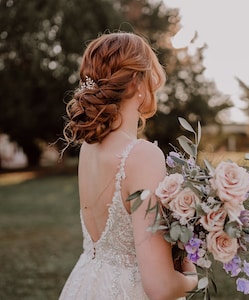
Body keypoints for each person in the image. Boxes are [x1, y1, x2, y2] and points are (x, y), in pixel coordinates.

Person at [59, 31, 198, 300]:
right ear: (136, 81)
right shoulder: (140, 155)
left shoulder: (89, 147)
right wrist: (192, 276)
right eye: (150, 77)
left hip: (87, 283)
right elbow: (159, 287)